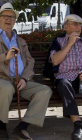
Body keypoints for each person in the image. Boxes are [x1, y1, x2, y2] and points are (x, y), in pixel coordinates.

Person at [0, 3, 52, 140]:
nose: (8, 19)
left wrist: (24, 78)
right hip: (2, 79)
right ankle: (1, 126)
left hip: (19, 80)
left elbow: (30, 61)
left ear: (15, 21)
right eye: (5, 16)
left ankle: (22, 127)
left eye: (12, 17)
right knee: (5, 88)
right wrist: (5, 57)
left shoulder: (20, 41)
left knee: (45, 90)